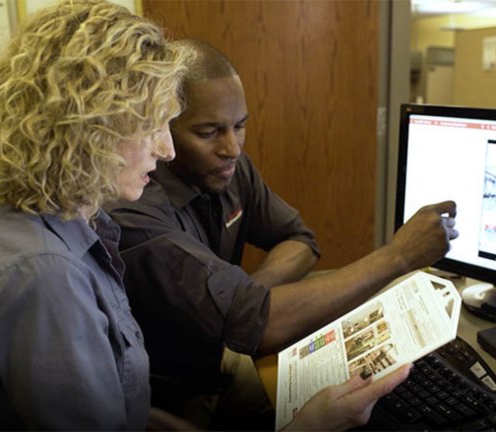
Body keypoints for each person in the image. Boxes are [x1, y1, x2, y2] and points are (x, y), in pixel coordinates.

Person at [0, 3, 412, 430]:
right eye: (151, 128)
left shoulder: (76, 227)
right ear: (87, 132)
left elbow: (122, 406)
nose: (165, 149)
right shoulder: (45, 273)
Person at [108, 39, 459, 430]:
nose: (231, 148)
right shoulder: (136, 210)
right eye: (209, 132)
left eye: (239, 127)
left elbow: (300, 241)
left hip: (220, 355)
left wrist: (246, 293)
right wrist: (399, 256)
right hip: (171, 398)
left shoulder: (230, 168)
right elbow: (262, 326)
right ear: (162, 130)